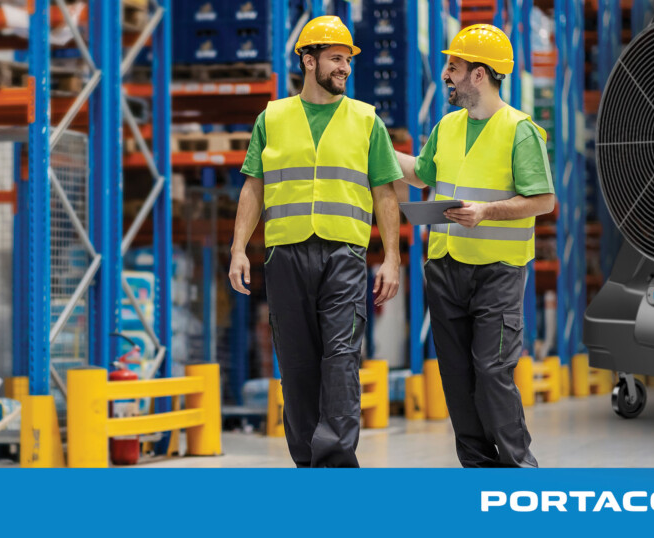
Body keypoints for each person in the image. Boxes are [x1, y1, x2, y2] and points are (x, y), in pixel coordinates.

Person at [228, 16, 403, 468]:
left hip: (344, 255)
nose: (345, 67)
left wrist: (392, 259)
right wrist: (237, 250)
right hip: (284, 254)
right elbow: (254, 186)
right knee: (298, 365)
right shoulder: (273, 116)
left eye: (347, 60)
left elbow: (385, 191)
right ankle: (308, 464)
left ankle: (337, 465)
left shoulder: (367, 120)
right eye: (336, 58)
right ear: (309, 60)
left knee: (341, 359)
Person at [395, 24, 555, 468]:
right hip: (445, 268)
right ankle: (479, 475)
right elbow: (422, 176)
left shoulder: (520, 130)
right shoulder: (447, 126)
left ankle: (520, 472)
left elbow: (543, 200)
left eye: (454, 66)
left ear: (479, 74)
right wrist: (374, 149)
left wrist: (486, 211)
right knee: (458, 378)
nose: (446, 74)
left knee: (491, 372)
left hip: (496, 271)